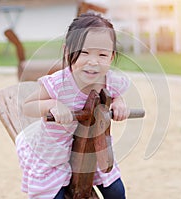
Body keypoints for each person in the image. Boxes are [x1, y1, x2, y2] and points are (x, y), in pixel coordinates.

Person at [15, 13, 130, 199]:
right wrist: (53, 105)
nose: (93, 61)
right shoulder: (59, 84)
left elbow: (117, 96)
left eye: (102, 54)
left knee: (117, 192)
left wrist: (119, 103)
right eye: (84, 53)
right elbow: (27, 106)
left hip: (92, 150)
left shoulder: (110, 81)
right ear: (68, 51)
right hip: (55, 154)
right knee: (52, 195)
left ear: (111, 57)